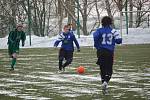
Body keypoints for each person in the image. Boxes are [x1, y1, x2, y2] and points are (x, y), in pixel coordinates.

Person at [93, 16, 122, 93]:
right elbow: (119, 40)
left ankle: (103, 83)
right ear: (110, 22)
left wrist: (96, 45)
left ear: (102, 22)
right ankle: (105, 82)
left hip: (100, 51)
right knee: (109, 69)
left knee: (102, 68)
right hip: (109, 51)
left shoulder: (99, 30)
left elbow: (95, 36)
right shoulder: (113, 31)